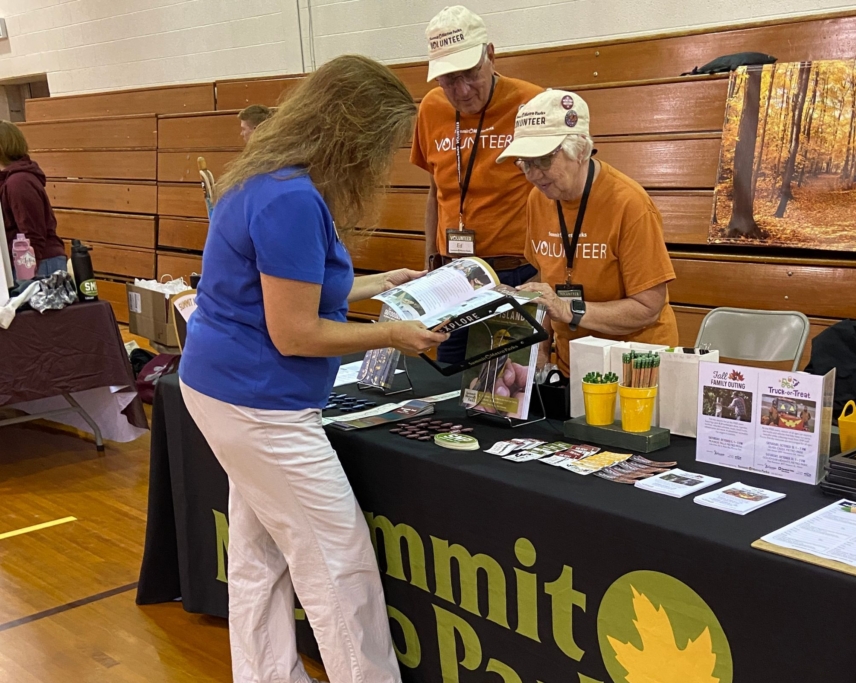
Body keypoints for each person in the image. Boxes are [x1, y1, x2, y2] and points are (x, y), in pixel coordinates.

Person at [178, 56, 447, 683]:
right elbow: (295, 331)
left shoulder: (266, 179)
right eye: (381, 143)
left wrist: (383, 282)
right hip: (259, 403)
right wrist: (393, 333)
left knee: (259, 554)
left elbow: (294, 287)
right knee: (339, 564)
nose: (382, 158)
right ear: (351, 132)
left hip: (227, 389)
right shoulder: (291, 199)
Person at [502, 89, 679, 373]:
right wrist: (542, 351)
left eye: (543, 160)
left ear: (581, 150)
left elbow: (648, 308)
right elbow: (544, 285)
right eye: (525, 163)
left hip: (634, 371)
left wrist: (568, 310)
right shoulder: (539, 198)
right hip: (571, 368)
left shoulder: (630, 204)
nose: (533, 175)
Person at [411, 5, 543, 363]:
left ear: (491, 55)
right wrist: (429, 262)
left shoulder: (530, 104)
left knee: (505, 391)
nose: (463, 89)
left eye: (470, 74)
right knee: (448, 377)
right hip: (451, 273)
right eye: (449, 79)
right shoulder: (431, 109)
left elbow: (553, 196)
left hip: (513, 271)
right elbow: (435, 191)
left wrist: (547, 272)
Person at [0, 122, 64, 278]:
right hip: (26, 263)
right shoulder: (11, 181)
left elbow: (32, 234)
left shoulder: (19, 182)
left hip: (39, 264)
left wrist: (26, 277)